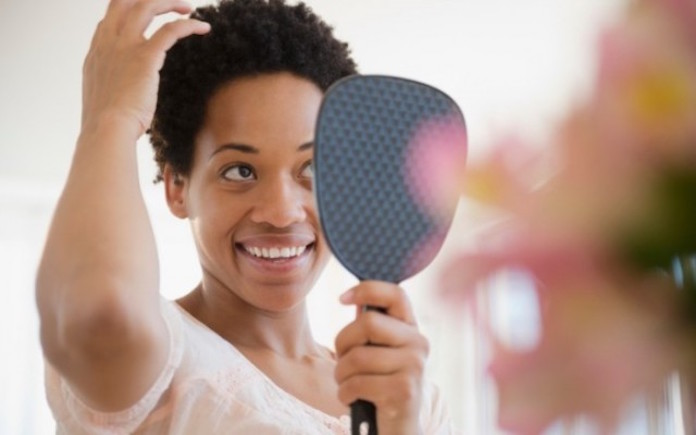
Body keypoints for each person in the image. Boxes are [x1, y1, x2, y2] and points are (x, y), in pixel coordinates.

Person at [36, 0, 454, 433]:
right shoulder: (163, 363)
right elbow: (102, 317)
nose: (280, 212)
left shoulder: (414, 397)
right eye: (239, 171)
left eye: (311, 168)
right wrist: (111, 120)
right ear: (178, 187)